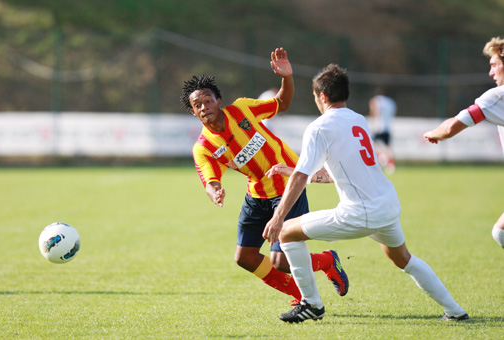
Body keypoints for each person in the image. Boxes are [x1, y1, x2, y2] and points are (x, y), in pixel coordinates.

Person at [263, 64, 468, 323]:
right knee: (402, 258)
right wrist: (294, 171)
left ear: (322, 96)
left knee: (286, 232)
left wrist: (278, 216)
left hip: (360, 212)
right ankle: (455, 311)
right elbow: (334, 173)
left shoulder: (319, 127)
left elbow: (302, 177)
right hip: (387, 205)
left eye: (315, 97)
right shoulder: (358, 119)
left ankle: (311, 304)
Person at [180, 48, 349, 306]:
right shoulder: (203, 148)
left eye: (208, 101)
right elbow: (210, 179)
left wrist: (287, 78)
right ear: (193, 112)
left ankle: (328, 260)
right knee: (244, 257)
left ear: (219, 100)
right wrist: (215, 190)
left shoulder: (242, 109)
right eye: (198, 105)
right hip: (256, 195)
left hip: (288, 187)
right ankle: (298, 293)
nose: (204, 107)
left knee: (281, 261)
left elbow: (282, 102)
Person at [424, 37, 504, 249]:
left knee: (501, 232)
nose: (491, 72)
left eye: (494, 65)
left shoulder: (498, 97)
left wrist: (434, 133)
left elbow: (452, 128)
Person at [368, 88, 397, 174]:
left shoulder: (375, 100)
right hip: (387, 127)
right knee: (387, 146)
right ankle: (391, 165)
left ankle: (381, 159)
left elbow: (374, 112)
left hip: (378, 126)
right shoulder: (391, 102)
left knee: (373, 145)